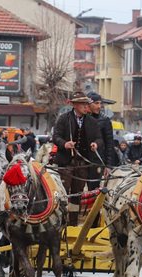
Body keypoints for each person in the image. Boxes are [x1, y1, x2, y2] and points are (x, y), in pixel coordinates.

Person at [52, 91, 103, 226]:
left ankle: (72, 224)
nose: (87, 107)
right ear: (75, 105)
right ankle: (59, 221)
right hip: (65, 162)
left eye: (87, 104)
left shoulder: (92, 121)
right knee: (63, 192)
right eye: (83, 104)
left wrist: (95, 144)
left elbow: (99, 138)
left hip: (82, 164)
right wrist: (65, 144)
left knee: (77, 194)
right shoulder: (64, 119)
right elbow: (55, 137)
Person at [86, 92, 114, 190]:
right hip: (82, 161)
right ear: (88, 104)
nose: (99, 106)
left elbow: (109, 143)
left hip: (98, 161)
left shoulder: (105, 120)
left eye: (100, 103)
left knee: (94, 190)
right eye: (96, 103)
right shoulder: (82, 118)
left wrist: (108, 165)